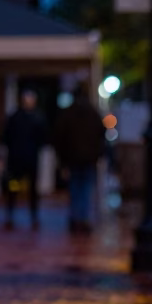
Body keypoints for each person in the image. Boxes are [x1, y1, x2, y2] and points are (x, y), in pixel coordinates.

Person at [53, 84, 106, 233]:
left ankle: (76, 217)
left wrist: (62, 159)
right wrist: (98, 154)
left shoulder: (68, 114)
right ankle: (83, 218)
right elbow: (101, 135)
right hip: (88, 159)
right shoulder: (93, 113)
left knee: (75, 187)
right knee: (86, 188)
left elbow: (59, 137)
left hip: (73, 158)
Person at [1, 89, 47, 229]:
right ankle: (13, 215)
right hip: (19, 160)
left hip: (26, 160)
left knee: (31, 189)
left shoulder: (32, 118)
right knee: (14, 187)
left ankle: (32, 216)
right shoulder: (23, 118)